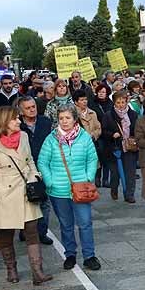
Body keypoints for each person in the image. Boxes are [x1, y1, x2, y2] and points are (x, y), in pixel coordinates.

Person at [0, 106, 52, 285]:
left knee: (32, 231)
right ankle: (11, 269)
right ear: (4, 122)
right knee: (6, 234)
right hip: (4, 195)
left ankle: (37, 271)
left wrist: (35, 176)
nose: (19, 121)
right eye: (15, 119)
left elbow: (30, 161)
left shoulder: (24, 137)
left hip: (25, 191)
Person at [37, 105, 101, 271]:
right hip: (58, 189)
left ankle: (89, 255)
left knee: (85, 222)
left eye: (68, 118)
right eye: (61, 118)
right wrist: (50, 181)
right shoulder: (51, 139)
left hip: (81, 187)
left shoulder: (85, 137)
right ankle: (70, 254)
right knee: (66, 224)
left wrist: (88, 177)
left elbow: (92, 159)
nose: (64, 121)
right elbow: (42, 162)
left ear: (74, 119)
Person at [18, 95, 54, 245]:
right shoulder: (18, 125)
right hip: (24, 169)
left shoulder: (45, 122)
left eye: (33, 106)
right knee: (26, 201)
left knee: (44, 202)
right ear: (21, 111)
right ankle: (24, 230)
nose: (32, 110)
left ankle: (42, 232)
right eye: (28, 108)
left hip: (44, 166)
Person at [101, 91, 139, 203]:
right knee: (115, 173)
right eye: (118, 102)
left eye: (123, 102)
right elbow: (103, 131)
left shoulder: (132, 114)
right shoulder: (108, 115)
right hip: (114, 148)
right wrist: (112, 134)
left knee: (130, 172)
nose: (121, 104)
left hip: (129, 147)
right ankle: (114, 188)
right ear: (114, 103)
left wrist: (134, 138)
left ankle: (129, 194)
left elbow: (136, 129)